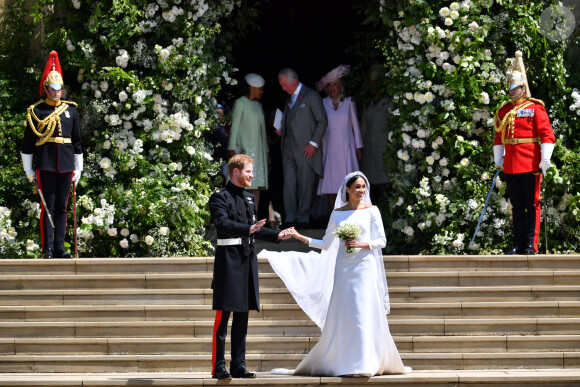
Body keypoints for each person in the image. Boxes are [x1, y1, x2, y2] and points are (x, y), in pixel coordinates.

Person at [260, 172, 408, 377]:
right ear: (347, 189)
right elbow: (327, 244)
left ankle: (367, 361)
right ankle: (346, 360)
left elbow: (381, 241)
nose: (361, 191)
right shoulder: (337, 214)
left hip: (364, 266)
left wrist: (362, 244)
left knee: (364, 310)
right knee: (348, 312)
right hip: (344, 268)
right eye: (357, 187)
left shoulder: (372, 211)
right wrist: (300, 237)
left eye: (364, 187)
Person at [208, 154, 292, 380]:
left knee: (242, 315)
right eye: (248, 171)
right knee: (223, 317)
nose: (252, 175)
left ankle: (238, 364)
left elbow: (254, 227)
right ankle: (218, 366)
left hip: (246, 259)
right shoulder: (219, 197)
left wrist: (277, 235)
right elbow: (223, 224)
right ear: (236, 171)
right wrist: (248, 230)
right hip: (228, 260)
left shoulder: (249, 198)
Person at [20, 51, 83, 259]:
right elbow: (29, 143)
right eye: (53, 88)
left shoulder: (71, 111)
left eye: (59, 88)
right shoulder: (36, 112)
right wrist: (28, 168)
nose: (57, 92)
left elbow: (77, 142)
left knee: (62, 207)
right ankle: (47, 249)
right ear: (47, 88)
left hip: (66, 164)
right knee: (47, 206)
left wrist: (78, 167)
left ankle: (60, 247)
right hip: (45, 163)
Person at [493, 51, 555, 255]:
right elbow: (498, 136)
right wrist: (498, 157)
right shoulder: (503, 111)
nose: (513, 91)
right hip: (510, 165)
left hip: (530, 163)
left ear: (523, 88)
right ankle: (519, 244)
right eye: (510, 87)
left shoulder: (535, 108)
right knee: (517, 206)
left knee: (532, 204)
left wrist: (545, 158)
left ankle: (531, 244)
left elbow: (546, 134)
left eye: (516, 87)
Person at [276, 68, 328, 228]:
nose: (283, 88)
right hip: (288, 148)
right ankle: (290, 218)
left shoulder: (311, 95)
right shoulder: (289, 98)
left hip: (306, 149)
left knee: (306, 184)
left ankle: (303, 218)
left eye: (285, 85)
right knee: (289, 184)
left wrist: (313, 143)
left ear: (294, 80)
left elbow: (323, 121)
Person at [315, 64, 363, 207]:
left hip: (346, 147)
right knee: (331, 185)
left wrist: (359, 146)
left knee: (349, 183)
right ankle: (333, 216)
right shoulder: (322, 103)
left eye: (335, 85)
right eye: (329, 85)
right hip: (329, 148)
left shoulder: (348, 101)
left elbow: (356, 127)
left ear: (340, 86)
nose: (332, 88)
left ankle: (350, 214)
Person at [228, 73, 269, 210]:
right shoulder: (240, 103)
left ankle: (253, 218)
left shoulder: (258, 105)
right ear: (252, 88)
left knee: (256, 186)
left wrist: (267, 152)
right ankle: (241, 218)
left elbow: (262, 131)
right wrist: (232, 150)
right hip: (244, 150)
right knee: (243, 185)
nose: (262, 91)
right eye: (260, 89)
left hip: (258, 152)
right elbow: (234, 128)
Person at [359, 70, 391, 203]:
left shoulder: (388, 103)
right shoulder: (368, 105)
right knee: (369, 182)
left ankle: (386, 210)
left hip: (383, 147)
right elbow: (363, 127)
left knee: (383, 181)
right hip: (369, 148)